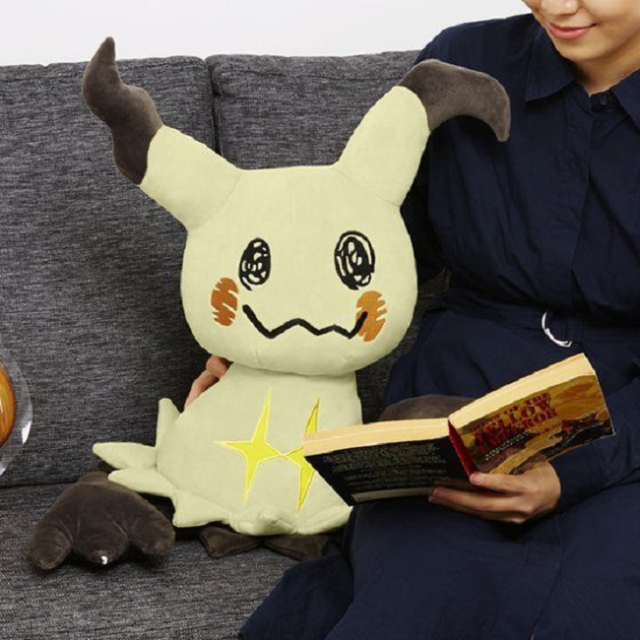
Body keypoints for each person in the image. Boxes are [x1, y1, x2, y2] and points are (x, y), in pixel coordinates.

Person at [189, 1, 640, 637]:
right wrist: (262, 362)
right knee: (418, 591)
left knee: (594, 607)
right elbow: (379, 259)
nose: (558, 6)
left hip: (624, 427)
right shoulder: (464, 64)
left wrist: (572, 474)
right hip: (452, 412)